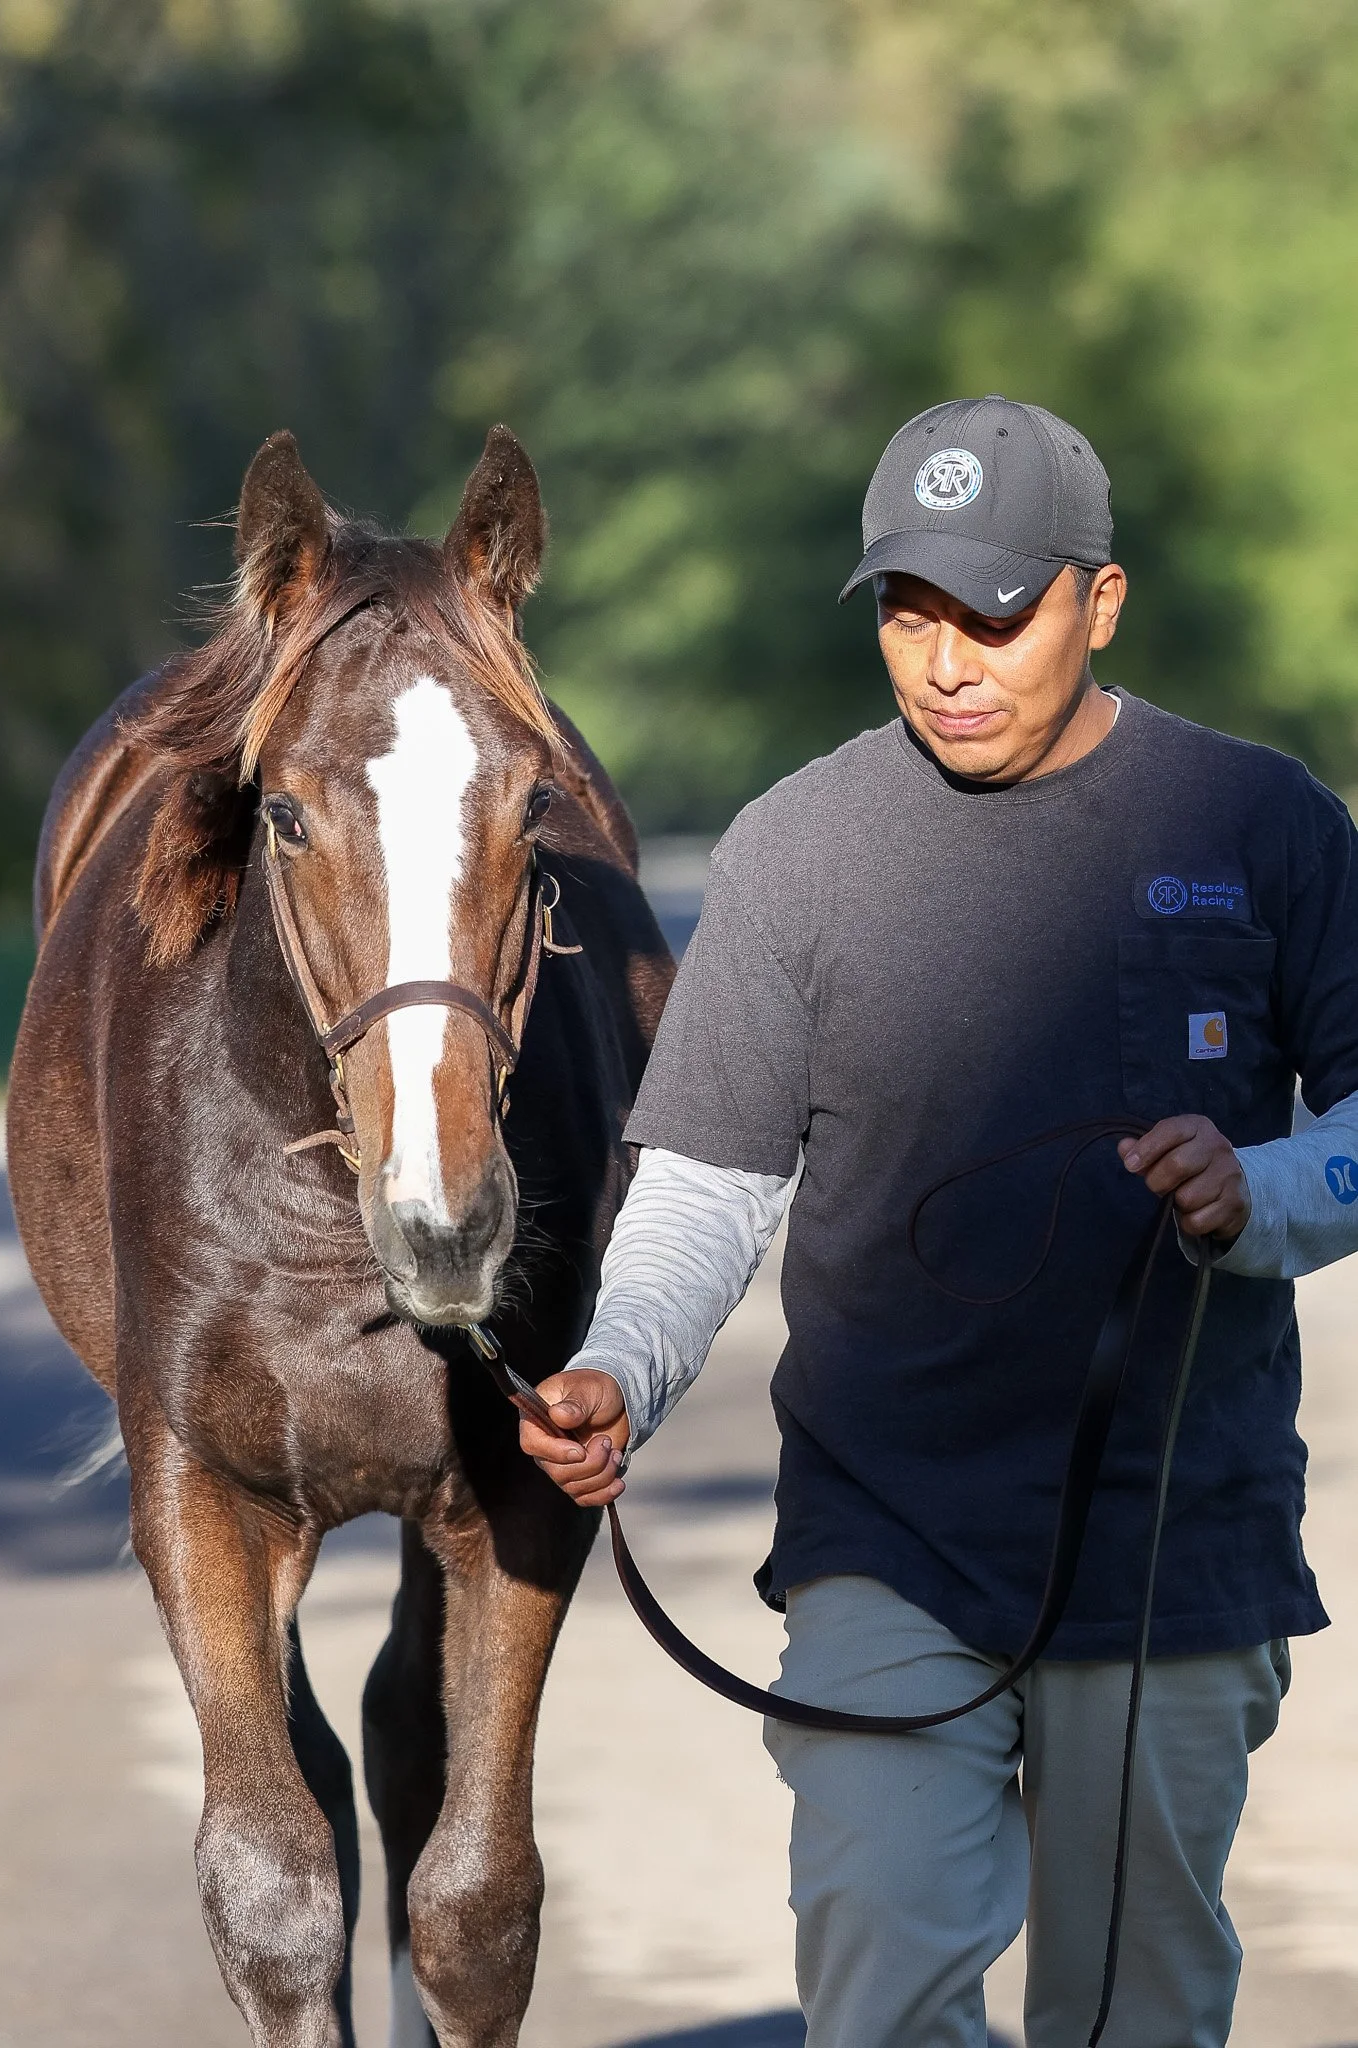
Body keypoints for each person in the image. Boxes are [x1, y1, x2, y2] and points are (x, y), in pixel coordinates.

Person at [518, 395, 1358, 2047]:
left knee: (1137, 2018)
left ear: (1096, 604)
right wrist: (624, 1360)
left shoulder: (1259, 828)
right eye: (908, 612)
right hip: (885, 1540)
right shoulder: (795, 851)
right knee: (883, 1991)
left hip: (1172, 1544)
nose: (944, 661)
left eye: (991, 613)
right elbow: (706, 1181)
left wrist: (1254, 1191)